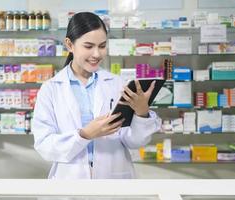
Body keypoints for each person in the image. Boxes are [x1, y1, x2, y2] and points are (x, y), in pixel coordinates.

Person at [32, 12, 161, 179]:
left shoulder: (117, 85)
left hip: (113, 181)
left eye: (102, 46)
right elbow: (45, 146)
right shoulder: (50, 89)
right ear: (70, 45)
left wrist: (142, 114)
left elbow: (135, 142)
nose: (97, 54)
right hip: (70, 182)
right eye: (88, 46)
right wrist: (84, 135)